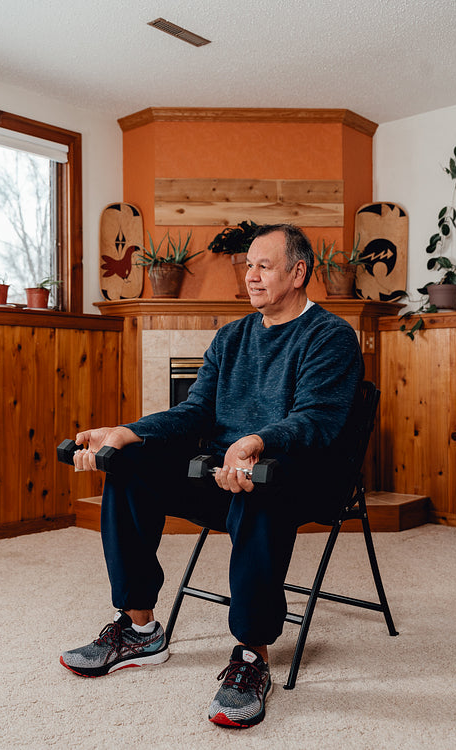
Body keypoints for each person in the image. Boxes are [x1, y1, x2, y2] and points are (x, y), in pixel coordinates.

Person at [60, 224, 364, 728]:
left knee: (261, 483)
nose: (251, 276)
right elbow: (196, 412)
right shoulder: (233, 336)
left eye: (264, 266)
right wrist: (127, 432)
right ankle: (140, 630)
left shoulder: (330, 336)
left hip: (296, 477)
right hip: (219, 472)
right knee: (131, 466)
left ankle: (251, 656)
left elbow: (318, 419)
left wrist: (255, 441)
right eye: (248, 266)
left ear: (298, 272)